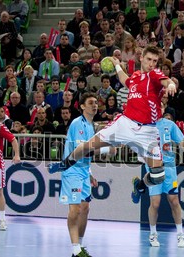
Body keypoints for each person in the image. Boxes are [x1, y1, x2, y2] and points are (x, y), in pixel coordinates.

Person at [48, 46, 176, 196]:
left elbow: (167, 81)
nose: (151, 64)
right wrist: (116, 65)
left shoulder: (154, 75)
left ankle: (139, 186)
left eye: (155, 61)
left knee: (158, 176)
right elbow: (124, 80)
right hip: (125, 123)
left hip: (147, 131)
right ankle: (64, 164)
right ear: (141, 58)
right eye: (149, 59)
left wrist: (172, 84)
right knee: (88, 145)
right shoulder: (135, 76)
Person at [59, 92, 110, 257]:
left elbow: (86, 154)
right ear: (82, 106)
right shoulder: (77, 124)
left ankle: (78, 249)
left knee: (85, 208)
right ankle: (75, 249)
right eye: (90, 103)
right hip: (72, 170)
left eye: (96, 102)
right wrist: (106, 149)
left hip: (82, 171)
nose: (94, 105)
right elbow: (82, 150)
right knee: (75, 210)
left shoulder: (91, 126)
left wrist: (89, 174)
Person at [131, 114, 184, 247]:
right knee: (155, 203)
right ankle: (153, 234)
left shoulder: (169, 124)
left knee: (174, 200)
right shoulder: (146, 124)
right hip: (153, 165)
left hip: (169, 168)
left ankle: (180, 235)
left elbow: (180, 140)